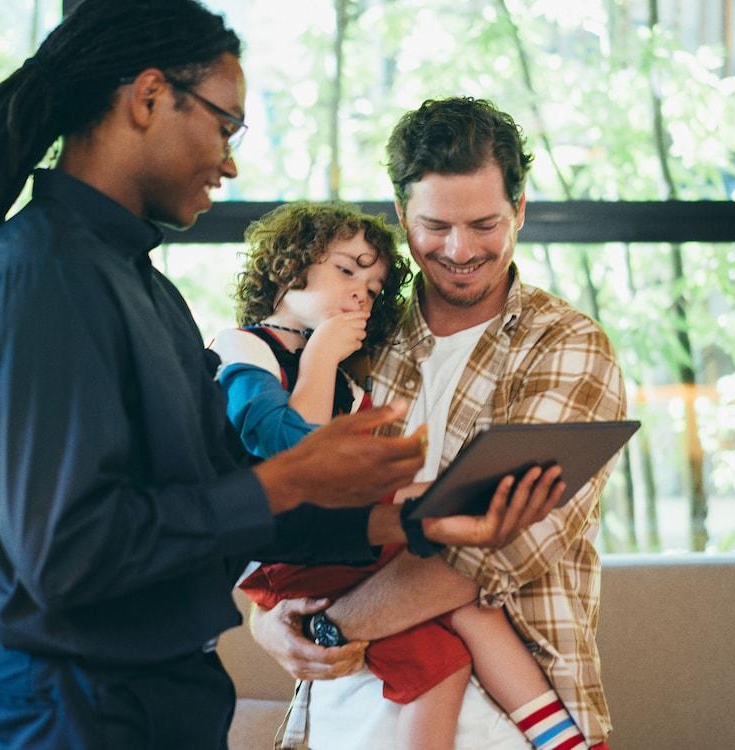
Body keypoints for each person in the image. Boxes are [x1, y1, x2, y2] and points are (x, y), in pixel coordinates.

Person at [0, 2, 555, 746]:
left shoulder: (140, 286)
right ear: (150, 98)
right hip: (78, 710)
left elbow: (213, 500)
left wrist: (407, 520)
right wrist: (295, 474)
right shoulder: (39, 279)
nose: (229, 162)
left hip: (149, 700)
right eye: (226, 127)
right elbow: (68, 555)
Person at [250, 97, 627, 750]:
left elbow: (483, 554)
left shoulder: (566, 345)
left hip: (509, 728)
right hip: (341, 718)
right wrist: (267, 624)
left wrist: (328, 627)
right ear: (401, 216)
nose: (459, 250)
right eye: (435, 226)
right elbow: (271, 504)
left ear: (521, 209)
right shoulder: (354, 339)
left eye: (484, 224)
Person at [212, 201, 577, 750]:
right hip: (292, 554)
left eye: (375, 286)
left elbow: (359, 480)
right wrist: (318, 363)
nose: (361, 291)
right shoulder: (244, 348)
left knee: (468, 623)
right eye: (347, 269)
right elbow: (295, 459)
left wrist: (437, 495)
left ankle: (566, 739)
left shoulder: (349, 379)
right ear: (289, 267)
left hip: (340, 543)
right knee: (443, 658)